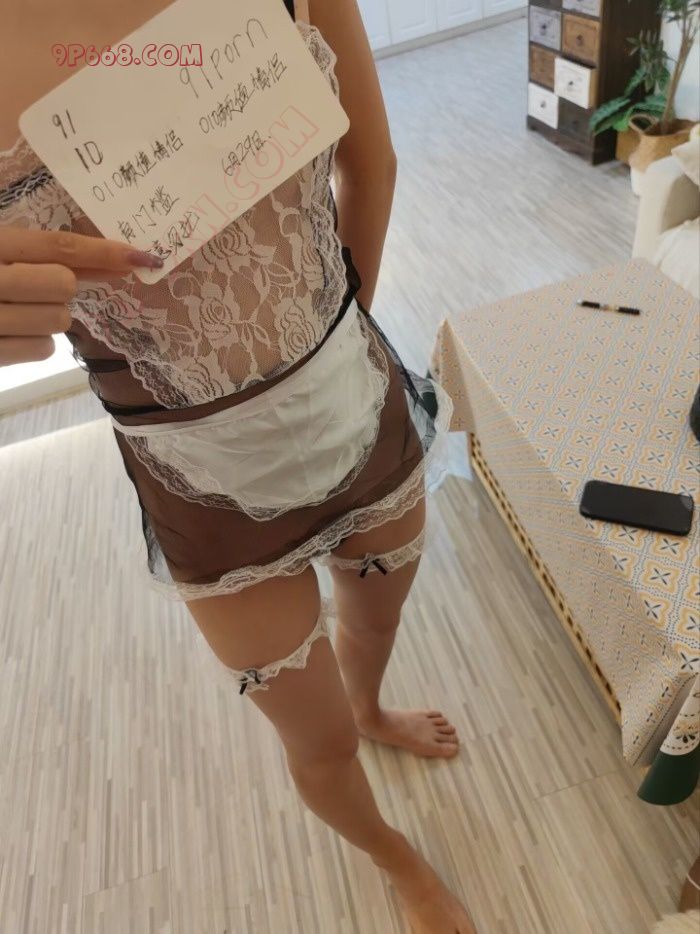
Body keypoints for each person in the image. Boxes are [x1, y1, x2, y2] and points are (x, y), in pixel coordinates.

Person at [0, 0, 474, 930]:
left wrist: (333, 337)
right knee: (316, 741)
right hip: (201, 479)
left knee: (376, 623)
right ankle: (398, 860)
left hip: (353, 403)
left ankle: (374, 708)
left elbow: (369, 162)